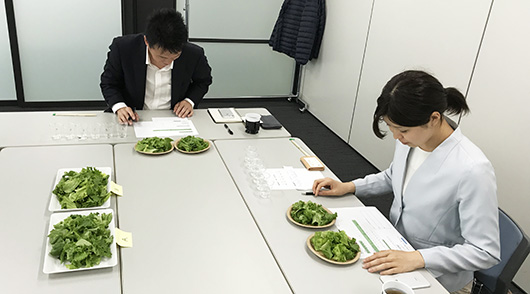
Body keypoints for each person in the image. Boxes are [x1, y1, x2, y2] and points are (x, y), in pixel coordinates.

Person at [312, 70, 500, 293]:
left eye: (402, 130)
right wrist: (350, 186)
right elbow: (394, 177)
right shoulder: (411, 138)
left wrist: (419, 258)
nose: (396, 137)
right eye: (391, 128)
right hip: (395, 248)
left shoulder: (472, 169)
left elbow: (484, 251)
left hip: (438, 278)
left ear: (434, 119)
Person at [100, 8, 212, 125]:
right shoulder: (123, 48)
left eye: (175, 57)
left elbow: (203, 81)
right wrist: (119, 106)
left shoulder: (194, 54)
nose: (168, 62)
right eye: (162, 57)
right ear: (146, 42)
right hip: (133, 117)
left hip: (175, 118)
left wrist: (189, 101)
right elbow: (109, 83)